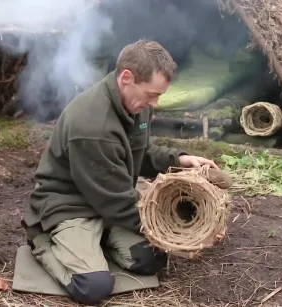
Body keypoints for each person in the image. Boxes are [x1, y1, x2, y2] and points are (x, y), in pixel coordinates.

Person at [21, 39, 219, 305]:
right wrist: (168, 228)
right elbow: (115, 201)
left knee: (151, 260)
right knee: (93, 288)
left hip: (107, 198)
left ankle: (94, 245)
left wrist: (180, 160)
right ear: (127, 78)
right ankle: (42, 240)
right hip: (69, 205)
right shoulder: (92, 126)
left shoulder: (136, 104)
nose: (155, 103)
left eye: (159, 95)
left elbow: (142, 152)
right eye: (152, 94)